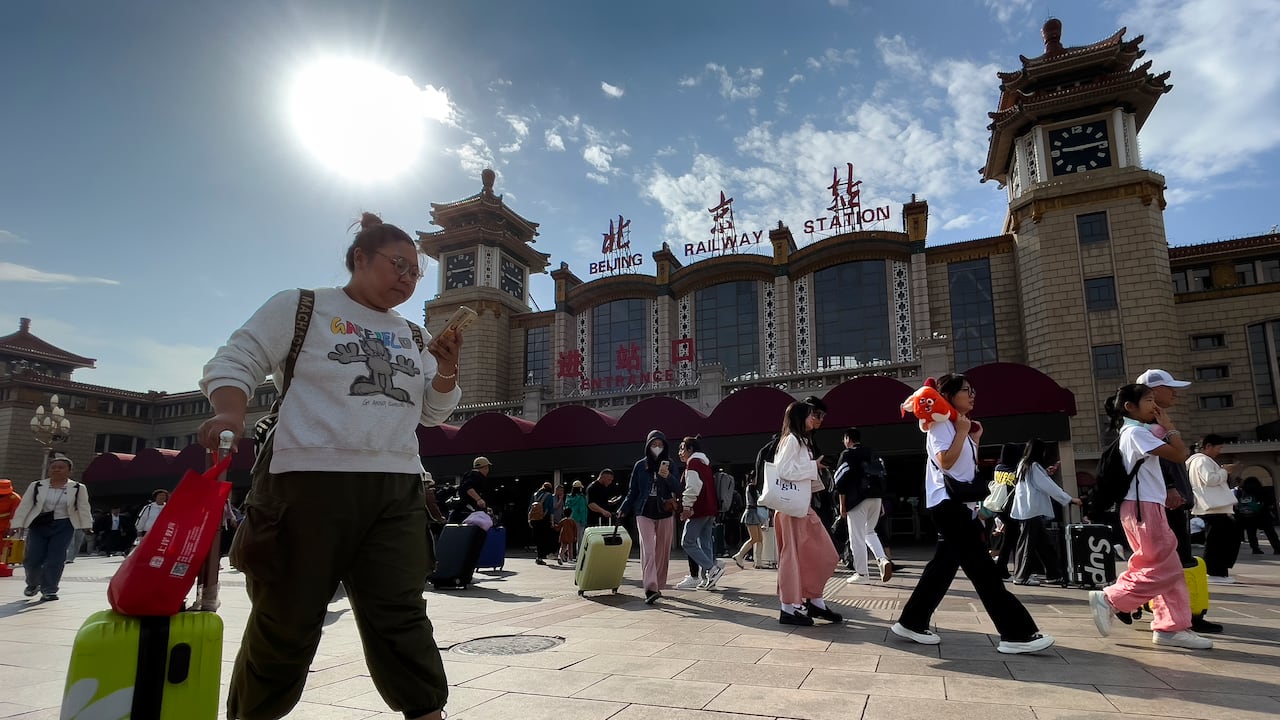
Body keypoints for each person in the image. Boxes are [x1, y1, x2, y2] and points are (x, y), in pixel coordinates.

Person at [198, 212, 462, 720]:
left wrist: (447, 370)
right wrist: (229, 411)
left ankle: (427, 712)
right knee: (286, 617)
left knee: (402, 615)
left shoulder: (412, 333)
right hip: (304, 484)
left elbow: (431, 411)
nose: (407, 278)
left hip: (396, 488)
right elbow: (238, 359)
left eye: (414, 272)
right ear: (360, 257)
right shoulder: (303, 307)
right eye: (398, 265)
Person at [891, 374, 1054, 654]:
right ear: (949, 395)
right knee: (983, 570)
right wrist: (963, 433)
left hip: (958, 505)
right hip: (948, 505)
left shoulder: (958, 425)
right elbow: (945, 462)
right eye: (967, 390)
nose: (972, 395)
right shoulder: (940, 425)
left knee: (943, 567)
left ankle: (912, 621)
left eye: (973, 390)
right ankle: (1017, 633)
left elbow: (965, 469)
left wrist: (973, 438)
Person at [1087, 384, 1212, 650]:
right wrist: (1170, 427)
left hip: (1143, 507)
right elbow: (1179, 454)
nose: (1154, 406)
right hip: (1143, 508)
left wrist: (1162, 427)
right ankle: (1112, 598)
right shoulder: (1135, 433)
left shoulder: (1137, 431)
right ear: (1130, 407)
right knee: (1167, 568)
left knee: (1162, 567)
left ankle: (1171, 627)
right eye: (1149, 400)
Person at [1134, 369, 1222, 634]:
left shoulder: (1157, 421)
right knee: (1177, 560)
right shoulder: (1149, 426)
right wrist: (1171, 487)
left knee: (1165, 561)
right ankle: (1180, 616)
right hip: (1166, 502)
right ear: (1152, 392)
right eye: (1169, 388)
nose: (1174, 393)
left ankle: (1144, 605)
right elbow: (1157, 460)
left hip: (1168, 500)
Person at [771, 399, 842, 626]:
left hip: (799, 506)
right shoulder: (792, 440)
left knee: (816, 554)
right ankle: (789, 607)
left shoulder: (799, 440)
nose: (814, 418)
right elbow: (784, 470)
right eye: (811, 414)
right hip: (792, 508)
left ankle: (813, 601)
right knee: (797, 556)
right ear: (800, 417)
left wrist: (815, 468)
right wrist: (813, 467)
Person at [11, 454, 94, 602]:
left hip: (64, 525)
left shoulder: (77, 488)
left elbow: (83, 507)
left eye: (61, 468)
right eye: (53, 467)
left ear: (69, 471)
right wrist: (17, 524)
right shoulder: (36, 486)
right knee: (32, 558)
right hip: (39, 524)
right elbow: (25, 506)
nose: (56, 470)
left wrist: (87, 525)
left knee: (55, 558)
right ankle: (33, 583)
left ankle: (49, 590)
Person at [618, 430, 681, 604]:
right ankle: (650, 587)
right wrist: (624, 508)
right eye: (654, 444)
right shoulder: (640, 465)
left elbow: (678, 488)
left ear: (665, 446)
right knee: (648, 549)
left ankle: (658, 584)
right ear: (648, 446)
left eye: (660, 445)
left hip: (664, 511)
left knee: (662, 550)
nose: (657, 447)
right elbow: (633, 491)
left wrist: (668, 477)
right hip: (644, 511)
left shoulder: (670, 464)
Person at [1010, 438, 1079, 586]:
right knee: (1028, 545)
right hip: (1032, 511)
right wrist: (1068, 499)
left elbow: (1038, 482)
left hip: (1026, 510)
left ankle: (1054, 574)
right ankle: (1022, 576)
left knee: (1044, 545)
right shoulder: (1034, 466)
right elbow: (1048, 486)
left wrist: (1045, 473)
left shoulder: (1023, 464)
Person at [833, 427, 893, 584]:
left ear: (848, 439)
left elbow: (840, 481)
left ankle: (862, 574)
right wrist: (881, 500)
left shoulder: (847, 454)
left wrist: (842, 504)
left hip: (857, 499)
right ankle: (882, 559)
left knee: (857, 537)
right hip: (876, 498)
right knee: (870, 531)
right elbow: (882, 476)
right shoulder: (872, 453)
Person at [1187, 434, 1241, 582]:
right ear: (1208, 446)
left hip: (1211, 506)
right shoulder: (1202, 460)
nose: (1219, 451)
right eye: (1219, 447)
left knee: (1218, 539)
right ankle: (1215, 572)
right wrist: (1224, 471)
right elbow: (1210, 479)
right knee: (1218, 540)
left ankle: (1217, 571)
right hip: (1213, 506)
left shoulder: (1197, 461)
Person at [676, 437, 725, 590]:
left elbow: (693, 487)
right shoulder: (705, 463)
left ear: (690, 449)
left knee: (687, 541)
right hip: (710, 509)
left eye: (682, 448)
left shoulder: (693, 463)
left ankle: (712, 569)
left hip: (699, 509)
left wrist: (686, 506)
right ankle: (708, 579)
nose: (680, 453)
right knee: (705, 543)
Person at [731, 471, 767, 569]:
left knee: (759, 539)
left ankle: (758, 562)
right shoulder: (751, 487)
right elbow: (756, 501)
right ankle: (739, 555)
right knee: (754, 538)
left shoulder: (753, 488)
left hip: (755, 514)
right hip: (751, 513)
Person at [1237, 477, 1280, 554]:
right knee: (1270, 532)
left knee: (1251, 533)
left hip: (1248, 516)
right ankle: (1277, 548)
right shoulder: (1262, 490)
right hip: (1263, 515)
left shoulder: (1243, 492)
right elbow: (1269, 502)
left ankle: (1255, 549)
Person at [450, 457, 491, 523]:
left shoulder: (469, 474)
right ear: (486, 467)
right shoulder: (476, 475)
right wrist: (479, 499)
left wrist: (484, 508)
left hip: (464, 510)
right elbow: (467, 487)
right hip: (467, 510)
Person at [529, 482, 556, 565]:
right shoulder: (549, 496)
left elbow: (530, 507)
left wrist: (529, 519)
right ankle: (541, 556)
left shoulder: (534, 495)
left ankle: (539, 556)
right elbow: (551, 509)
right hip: (543, 519)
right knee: (543, 538)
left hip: (534, 519)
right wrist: (552, 522)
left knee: (537, 538)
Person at [562, 480, 588, 562]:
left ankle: (567, 555)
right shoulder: (581, 498)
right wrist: (584, 521)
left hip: (570, 519)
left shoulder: (568, 497)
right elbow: (582, 510)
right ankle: (579, 556)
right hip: (579, 520)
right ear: (580, 488)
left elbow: (566, 508)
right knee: (580, 538)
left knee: (569, 538)